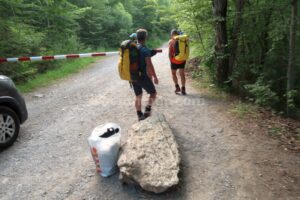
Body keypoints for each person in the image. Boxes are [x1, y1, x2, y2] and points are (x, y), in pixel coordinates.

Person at [131, 29, 159, 121]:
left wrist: (152, 52)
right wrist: (155, 77)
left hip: (132, 76)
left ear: (137, 37)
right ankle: (147, 110)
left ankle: (139, 115)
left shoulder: (133, 48)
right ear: (145, 37)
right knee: (153, 93)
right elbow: (149, 65)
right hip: (142, 77)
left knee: (138, 96)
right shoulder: (144, 49)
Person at [169, 29, 186, 95]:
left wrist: (171, 61)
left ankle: (177, 87)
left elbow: (169, 53)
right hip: (182, 59)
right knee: (182, 74)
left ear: (171, 35)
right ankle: (183, 88)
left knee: (173, 73)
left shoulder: (171, 41)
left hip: (174, 60)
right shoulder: (182, 40)